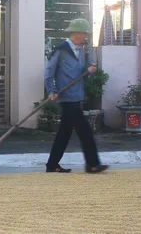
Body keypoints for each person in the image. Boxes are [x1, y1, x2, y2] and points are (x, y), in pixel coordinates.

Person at [44, 18, 109, 174]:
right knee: (84, 131)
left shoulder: (80, 51)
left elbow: (79, 72)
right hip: (66, 97)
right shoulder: (62, 50)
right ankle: (93, 164)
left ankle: (52, 165)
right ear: (77, 33)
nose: (86, 36)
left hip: (76, 95)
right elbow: (49, 72)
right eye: (84, 33)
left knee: (65, 133)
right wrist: (52, 90)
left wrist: (89, 70)